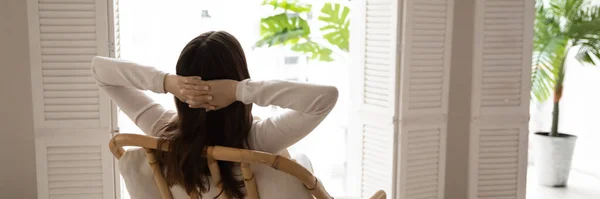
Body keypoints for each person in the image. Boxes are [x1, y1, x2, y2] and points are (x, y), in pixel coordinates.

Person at [91, 31, 338, 199]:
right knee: (301, 159)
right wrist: (238, 90)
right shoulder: (258, 141)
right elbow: (325, 99)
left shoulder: (162, 129)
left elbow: (100, 71)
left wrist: (167, 83)